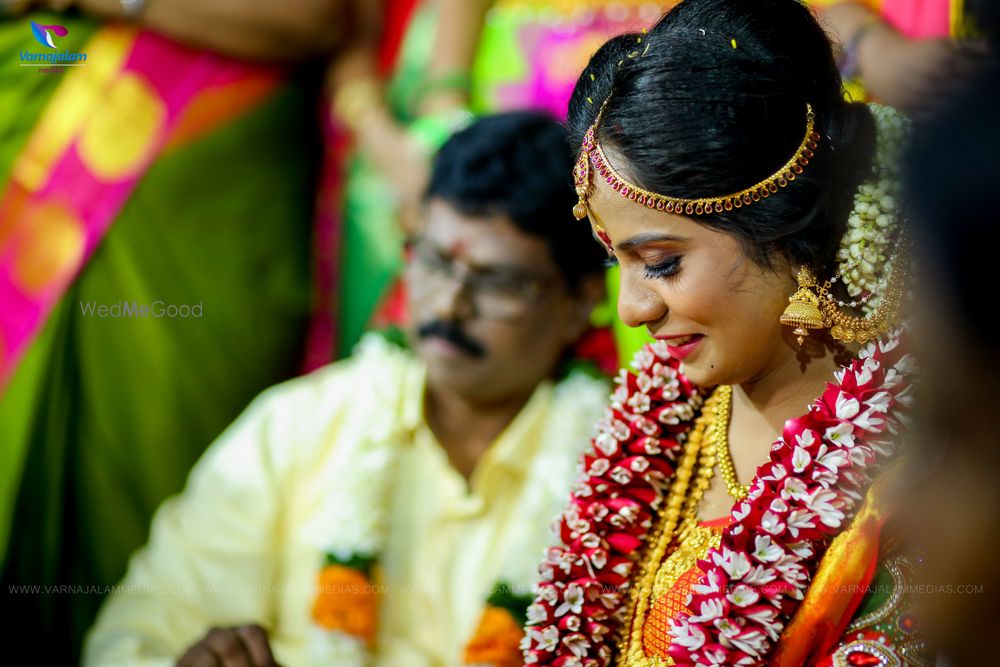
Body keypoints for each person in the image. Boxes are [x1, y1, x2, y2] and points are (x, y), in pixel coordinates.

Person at [84, 111, 609, 667]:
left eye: (497, 281)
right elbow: (130, 641)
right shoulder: (296, 428)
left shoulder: (622, 477)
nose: (450, 305)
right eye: (433, 260)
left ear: (581, 301)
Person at [519, 1, 923, 665]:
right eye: (612, 257)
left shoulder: (916, 470)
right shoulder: (668, 412)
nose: (632, 310)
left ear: (784, 226)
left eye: (663, 263)